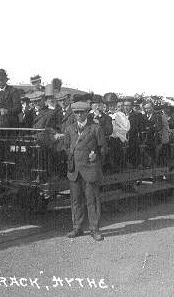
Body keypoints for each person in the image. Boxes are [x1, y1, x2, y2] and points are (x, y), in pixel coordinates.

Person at [65, 101, 107, 241]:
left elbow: (104, 149)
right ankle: (77, 227)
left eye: (81, 112)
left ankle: (94, 229)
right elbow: (66, 147)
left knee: (92, 201)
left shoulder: (95, 128)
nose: (78, 115)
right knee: (76, 201)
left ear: (86, 113)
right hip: (74, 171)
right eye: (76, 112)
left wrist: (96, 156)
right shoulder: (70, 129)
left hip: (90, 170)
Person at [124, 98, 146, 168]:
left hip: (133, 137)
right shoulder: (120, 115)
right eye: (125, 105)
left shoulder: (137, 115)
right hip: (121, 137)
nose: (126, 107)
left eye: (128, 105)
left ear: (131, 106)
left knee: (133, 146)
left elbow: (141, 128)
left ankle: (134, 164)